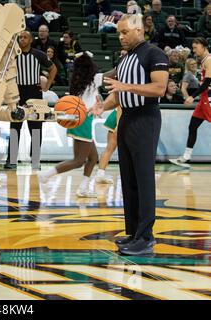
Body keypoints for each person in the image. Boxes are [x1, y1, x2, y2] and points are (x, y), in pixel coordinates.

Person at [90, 13, 169, 256]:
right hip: (126, 118)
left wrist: (126, 87)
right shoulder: (125, 60)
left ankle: (146, 237)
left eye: (124, 32)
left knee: (144, 179)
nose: (121, 37)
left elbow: (159, 88)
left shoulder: (154, 54)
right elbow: (117, 94)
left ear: (139, 29)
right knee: (129, 178)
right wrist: (103, 106)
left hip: (146, 117)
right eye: (118, 33)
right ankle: (134, 232)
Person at [39, 52, 104, 197]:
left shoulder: (78, 80)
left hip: (78, 119)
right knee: (79, 161)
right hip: (84, 120)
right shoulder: (95, 79)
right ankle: (46, 175)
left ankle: (83, 188)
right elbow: (114, 73)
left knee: (93, 158)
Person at [4, 30, 57, 170]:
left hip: (34, 94)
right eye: (20, 37)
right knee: (15, 127)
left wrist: (47, 85)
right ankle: (12, 160)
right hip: (17, 93)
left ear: (31, 39)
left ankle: (35, 160)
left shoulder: (39, 54)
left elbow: (53, 69)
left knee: (36, 129)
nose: (22, 39)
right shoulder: (13, 55)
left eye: (25, 37)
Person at [170, 38, 211, 168]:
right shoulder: (204, 60)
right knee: (192, 126)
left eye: (195, 47)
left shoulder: (209, 60)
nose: (194, 50)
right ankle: (186, 157)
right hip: (204, 99)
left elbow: (207, 83)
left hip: (208, 99)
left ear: (204, 46)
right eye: (192, 48)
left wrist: (192, 96)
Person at [95, 107, 121, 184]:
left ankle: (100, 174)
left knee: (110, 148)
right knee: (110, 148)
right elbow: (120, 106)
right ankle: (100, 175)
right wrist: (119, 124)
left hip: (120, 116)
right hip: (120, 116)